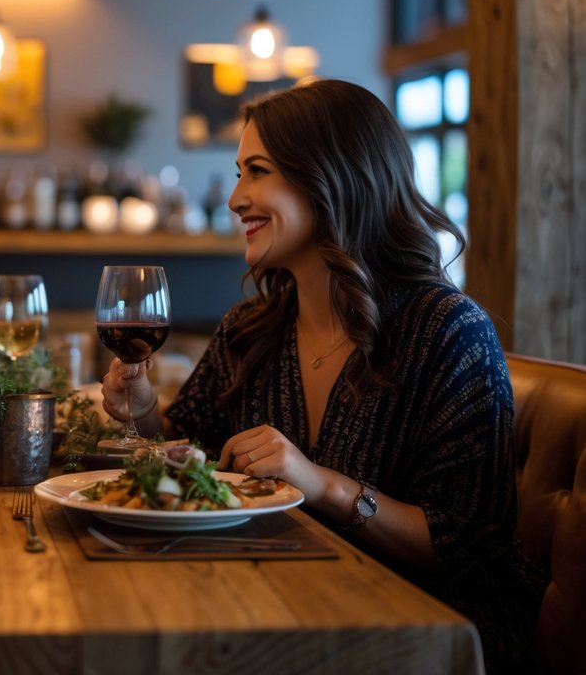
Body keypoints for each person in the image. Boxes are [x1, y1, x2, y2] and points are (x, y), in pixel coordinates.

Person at [102, 79, 546, 673]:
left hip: (419, 633)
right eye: (239, 173)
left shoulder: (448, 332)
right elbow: (187, 448)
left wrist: (323, 484)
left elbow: (471, 549)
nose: (236, 199)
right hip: (274, 604)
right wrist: (144, 407)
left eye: (257, 172)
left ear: (332, 177)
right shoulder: (251, 329)